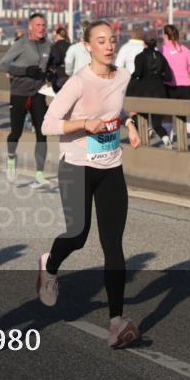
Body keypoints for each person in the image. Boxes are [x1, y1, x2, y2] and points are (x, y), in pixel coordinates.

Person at [37, 20, 143, 349]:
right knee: (77, 235)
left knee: (113, 245)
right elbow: (47, 124)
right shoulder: (78, 82)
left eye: (112, 39)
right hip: (76, 166)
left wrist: (129, 122)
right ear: (88, 47)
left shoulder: (123, 77)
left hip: (111, 165)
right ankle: (49, 266)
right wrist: (85, 124)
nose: (109, 45)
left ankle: (116, 322)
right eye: (101, 41)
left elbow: (113, 108)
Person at [0, 13, 52, 186]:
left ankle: (39, 174)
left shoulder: (49, 45)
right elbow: (2, 65)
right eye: (37, 25)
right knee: (16, 133)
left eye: (43, 25)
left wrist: (50, 73)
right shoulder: (21, 44)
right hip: (19, 93)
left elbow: (50, 66)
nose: (41, 28)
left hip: (38, 93)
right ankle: (12, 159)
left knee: (42, 134)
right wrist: (25, 71)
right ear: (30, 27)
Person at [161, 25, 190, 152]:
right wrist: (185, 71)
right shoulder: (184, 49)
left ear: (165, 36)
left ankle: (169, 144)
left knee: (167, 117)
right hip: (185, 86)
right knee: (182, 118)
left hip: (169, 86)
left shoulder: (162, 50)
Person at [127, 30, 173, 146]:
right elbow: (168, 77)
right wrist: (158, 75)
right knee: (157, 124)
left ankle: (146, 136)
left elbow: (137, 74)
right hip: (159, 93)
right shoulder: (161, 57)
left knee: (139, 118)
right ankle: (166, 140)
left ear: (144, 43)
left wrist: (129, 80)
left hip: (144, 93)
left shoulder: (140, 57)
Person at [47, 26, 71, 92]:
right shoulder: (71, 46)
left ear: (58, 35)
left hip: (59, 75)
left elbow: (56, 60)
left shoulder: (54, 46)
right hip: (70, 75)